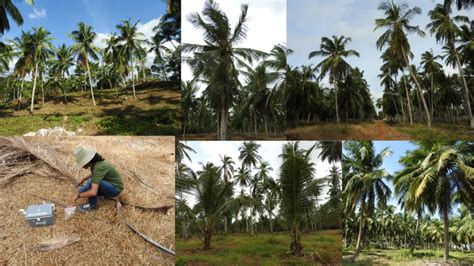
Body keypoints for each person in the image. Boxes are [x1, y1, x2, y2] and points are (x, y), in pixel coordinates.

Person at [71, 146, 124, 212]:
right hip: (109, 184)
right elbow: (95, 174)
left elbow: (93, 192)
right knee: (83, 190)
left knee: (90, 184)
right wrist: (83, 180)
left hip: (115, 189)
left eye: (82, 162)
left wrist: (77, 196)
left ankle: (93, 205)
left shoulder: (99, 167)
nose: (82, 165)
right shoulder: (96, 164)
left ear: (88, 161)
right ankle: (99, 193)